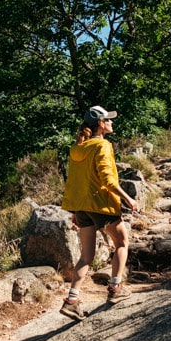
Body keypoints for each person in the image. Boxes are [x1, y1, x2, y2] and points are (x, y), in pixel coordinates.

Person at [59, 105, 139, 321]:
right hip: (101, 205)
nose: (112, 123)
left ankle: (71, 301)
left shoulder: (77, 148)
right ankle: (115, 289)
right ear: (101, 124)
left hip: (83, 208)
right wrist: (127, 198)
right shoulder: (102, 146)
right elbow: (108, 180)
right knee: (122, 243)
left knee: (86, 256)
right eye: (109, 120)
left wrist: (76, 210)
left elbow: (75, 182)